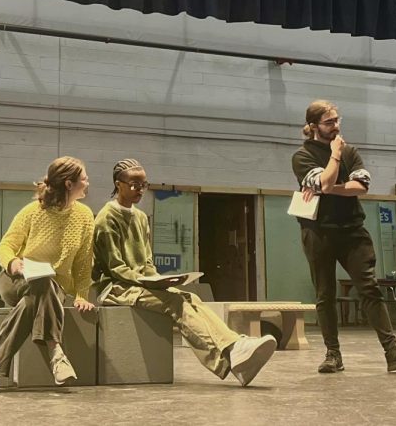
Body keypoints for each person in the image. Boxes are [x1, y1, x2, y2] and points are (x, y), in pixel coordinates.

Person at [92, 158, 277, 386]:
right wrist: (146, 281)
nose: (139, 190)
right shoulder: (106, 218)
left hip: (139, 284)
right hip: (115, 287)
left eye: (143, 184)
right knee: (174, 302)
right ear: (117, 184)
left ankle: (235, 347)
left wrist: (158, 279)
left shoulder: (140, 218)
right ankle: (230, 355)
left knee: (191, 296)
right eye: (133, 184)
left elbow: (147, 261)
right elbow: (116, 267)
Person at [292, 100, 396, 374]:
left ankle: (393, 351)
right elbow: (326, 180)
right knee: (325, 294)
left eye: (338, 120)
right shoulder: (303, 157)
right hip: (318, 232)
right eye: (329, 122)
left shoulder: (351, 151)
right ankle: (333, 355)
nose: (336, 126)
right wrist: (335, 158)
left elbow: (360, 187)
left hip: (352, 231)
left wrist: (331, 187)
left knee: (369, 288)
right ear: (314, 126)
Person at [0, 156, 97, 393]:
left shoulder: (85, 216)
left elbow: (83, 262)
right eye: (84, 178)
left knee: (32, 302)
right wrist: (12, 263)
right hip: (16, 281)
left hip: (51, 289)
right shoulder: (32, 211)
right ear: (69, 184)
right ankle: (56, 352)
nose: (88, 182)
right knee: (39, 285)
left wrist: (82, 295)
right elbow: (5, 246)